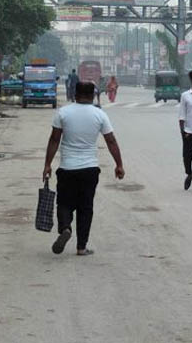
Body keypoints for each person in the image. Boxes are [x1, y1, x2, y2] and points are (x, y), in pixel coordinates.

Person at [43, 82, 125, 256]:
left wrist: (47, 164)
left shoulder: (63, 113)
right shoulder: (99, 115)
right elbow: (111, 141)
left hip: (67, 168)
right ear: (93, 94)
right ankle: (81, 247)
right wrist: (119, 164)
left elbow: (54, 139)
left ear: (75, 93)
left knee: (64, 202)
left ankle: (65, 228)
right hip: (89, 169)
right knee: (85, 207)